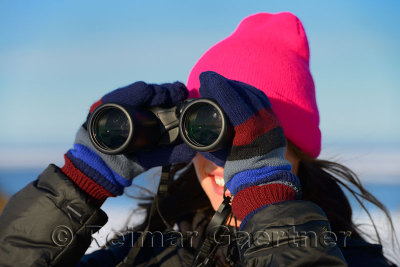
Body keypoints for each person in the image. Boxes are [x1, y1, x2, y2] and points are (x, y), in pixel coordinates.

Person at [0, 12, 396, 267]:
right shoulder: (144, 255)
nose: (220, 161)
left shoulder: (355, 260)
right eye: (208, 134)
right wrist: (79, 184)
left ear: (294, 152)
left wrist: (265, 199)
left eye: (250, 138)